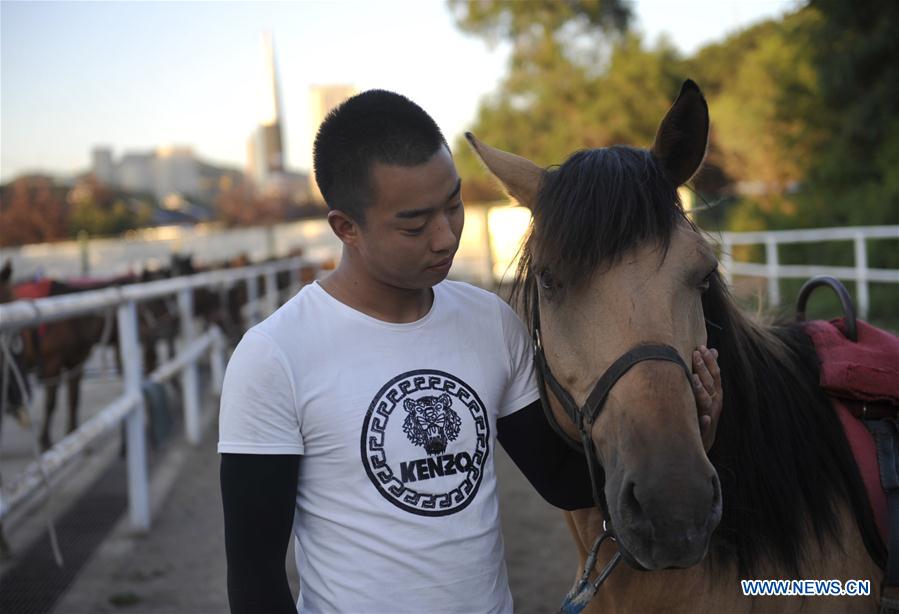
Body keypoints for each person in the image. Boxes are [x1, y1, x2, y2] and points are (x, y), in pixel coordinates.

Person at [218, 90, 722, 613]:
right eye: (414, 225)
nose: (445, 238)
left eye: (454, 204)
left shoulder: (490, 323)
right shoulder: (274, 356)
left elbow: (564, 483)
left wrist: (683, 437)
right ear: (346, 228)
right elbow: (255, 577)